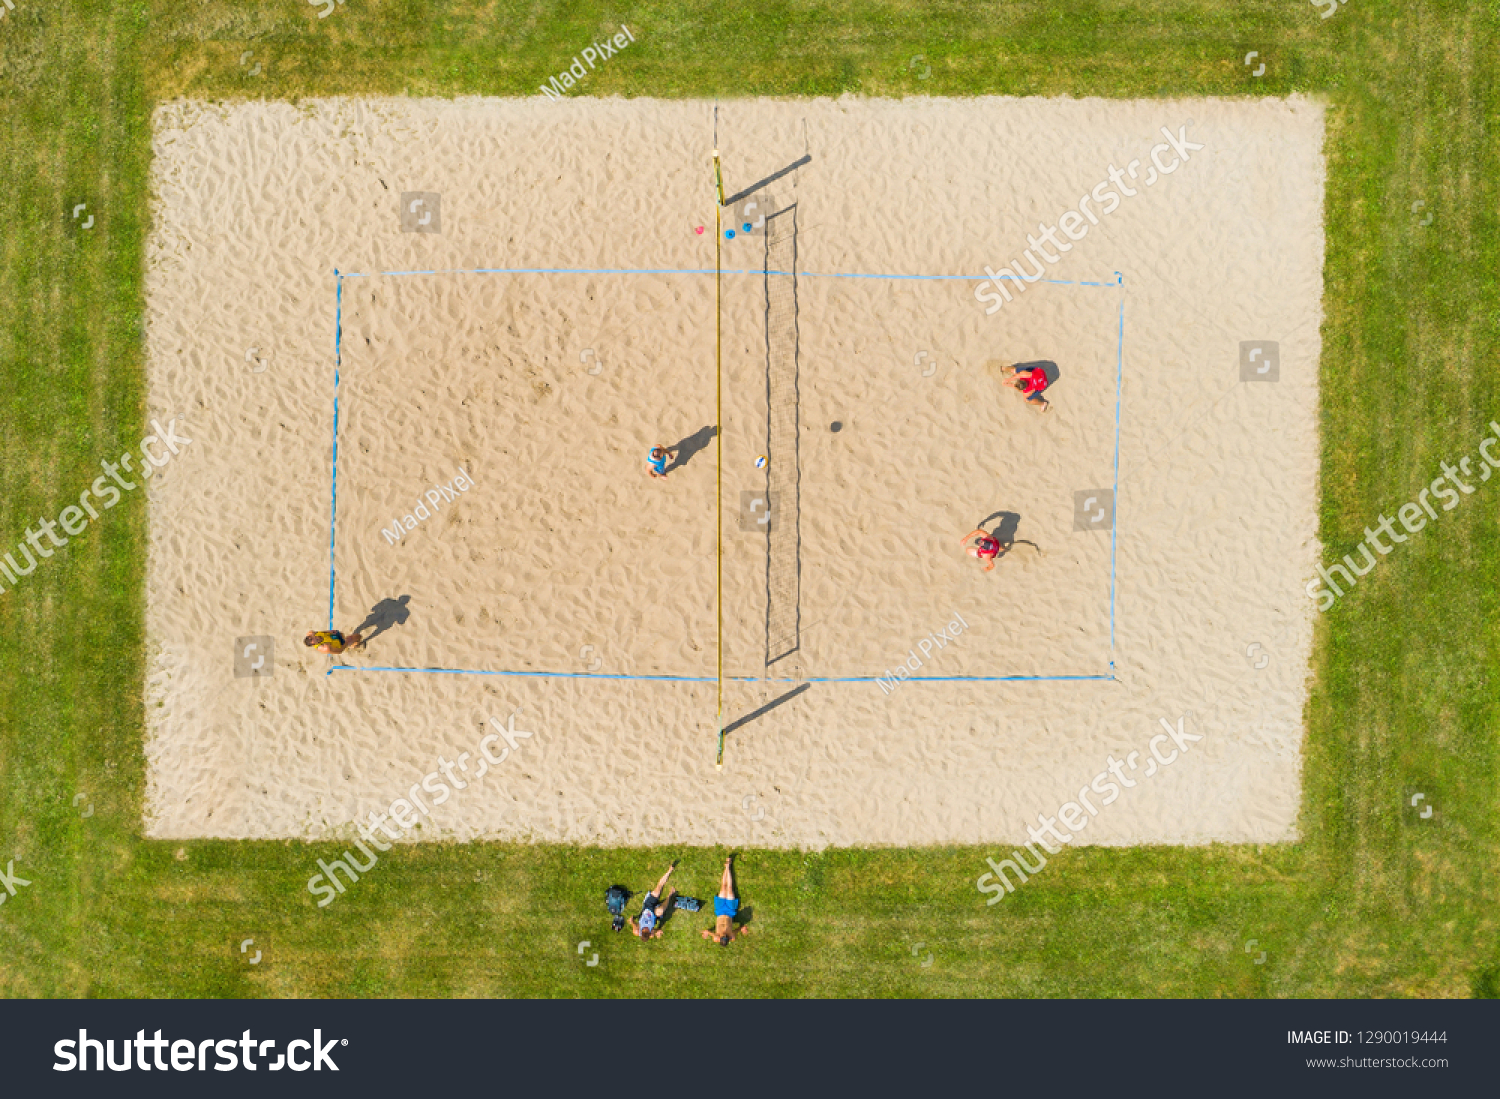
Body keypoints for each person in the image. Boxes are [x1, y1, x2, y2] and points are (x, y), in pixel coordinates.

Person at [701, 854, 751, 947]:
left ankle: (727, 867)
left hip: (719, 910)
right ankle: (728, 866)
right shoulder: (732, 936)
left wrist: (707, 933)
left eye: (722, 937)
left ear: (720, 939)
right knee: (730, 889)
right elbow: (738, 929)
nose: (724, 934)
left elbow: (708, 931)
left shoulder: (716, 937)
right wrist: (742, 928)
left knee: (723, 887)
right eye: (725, 936)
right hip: (730, 911)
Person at [630, 861, 678, 940]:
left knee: (658, 889)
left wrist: (632, 921)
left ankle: (669, 870)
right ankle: (670, 894)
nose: (648, 929)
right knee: (660, 910)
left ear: (641, 932)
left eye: (645, 930)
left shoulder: (636, 931)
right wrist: (658, 931)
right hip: (654, 914)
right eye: (649, 931)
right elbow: (656, 930)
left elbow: (633, 923)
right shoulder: (651, 934)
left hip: (647, 906)